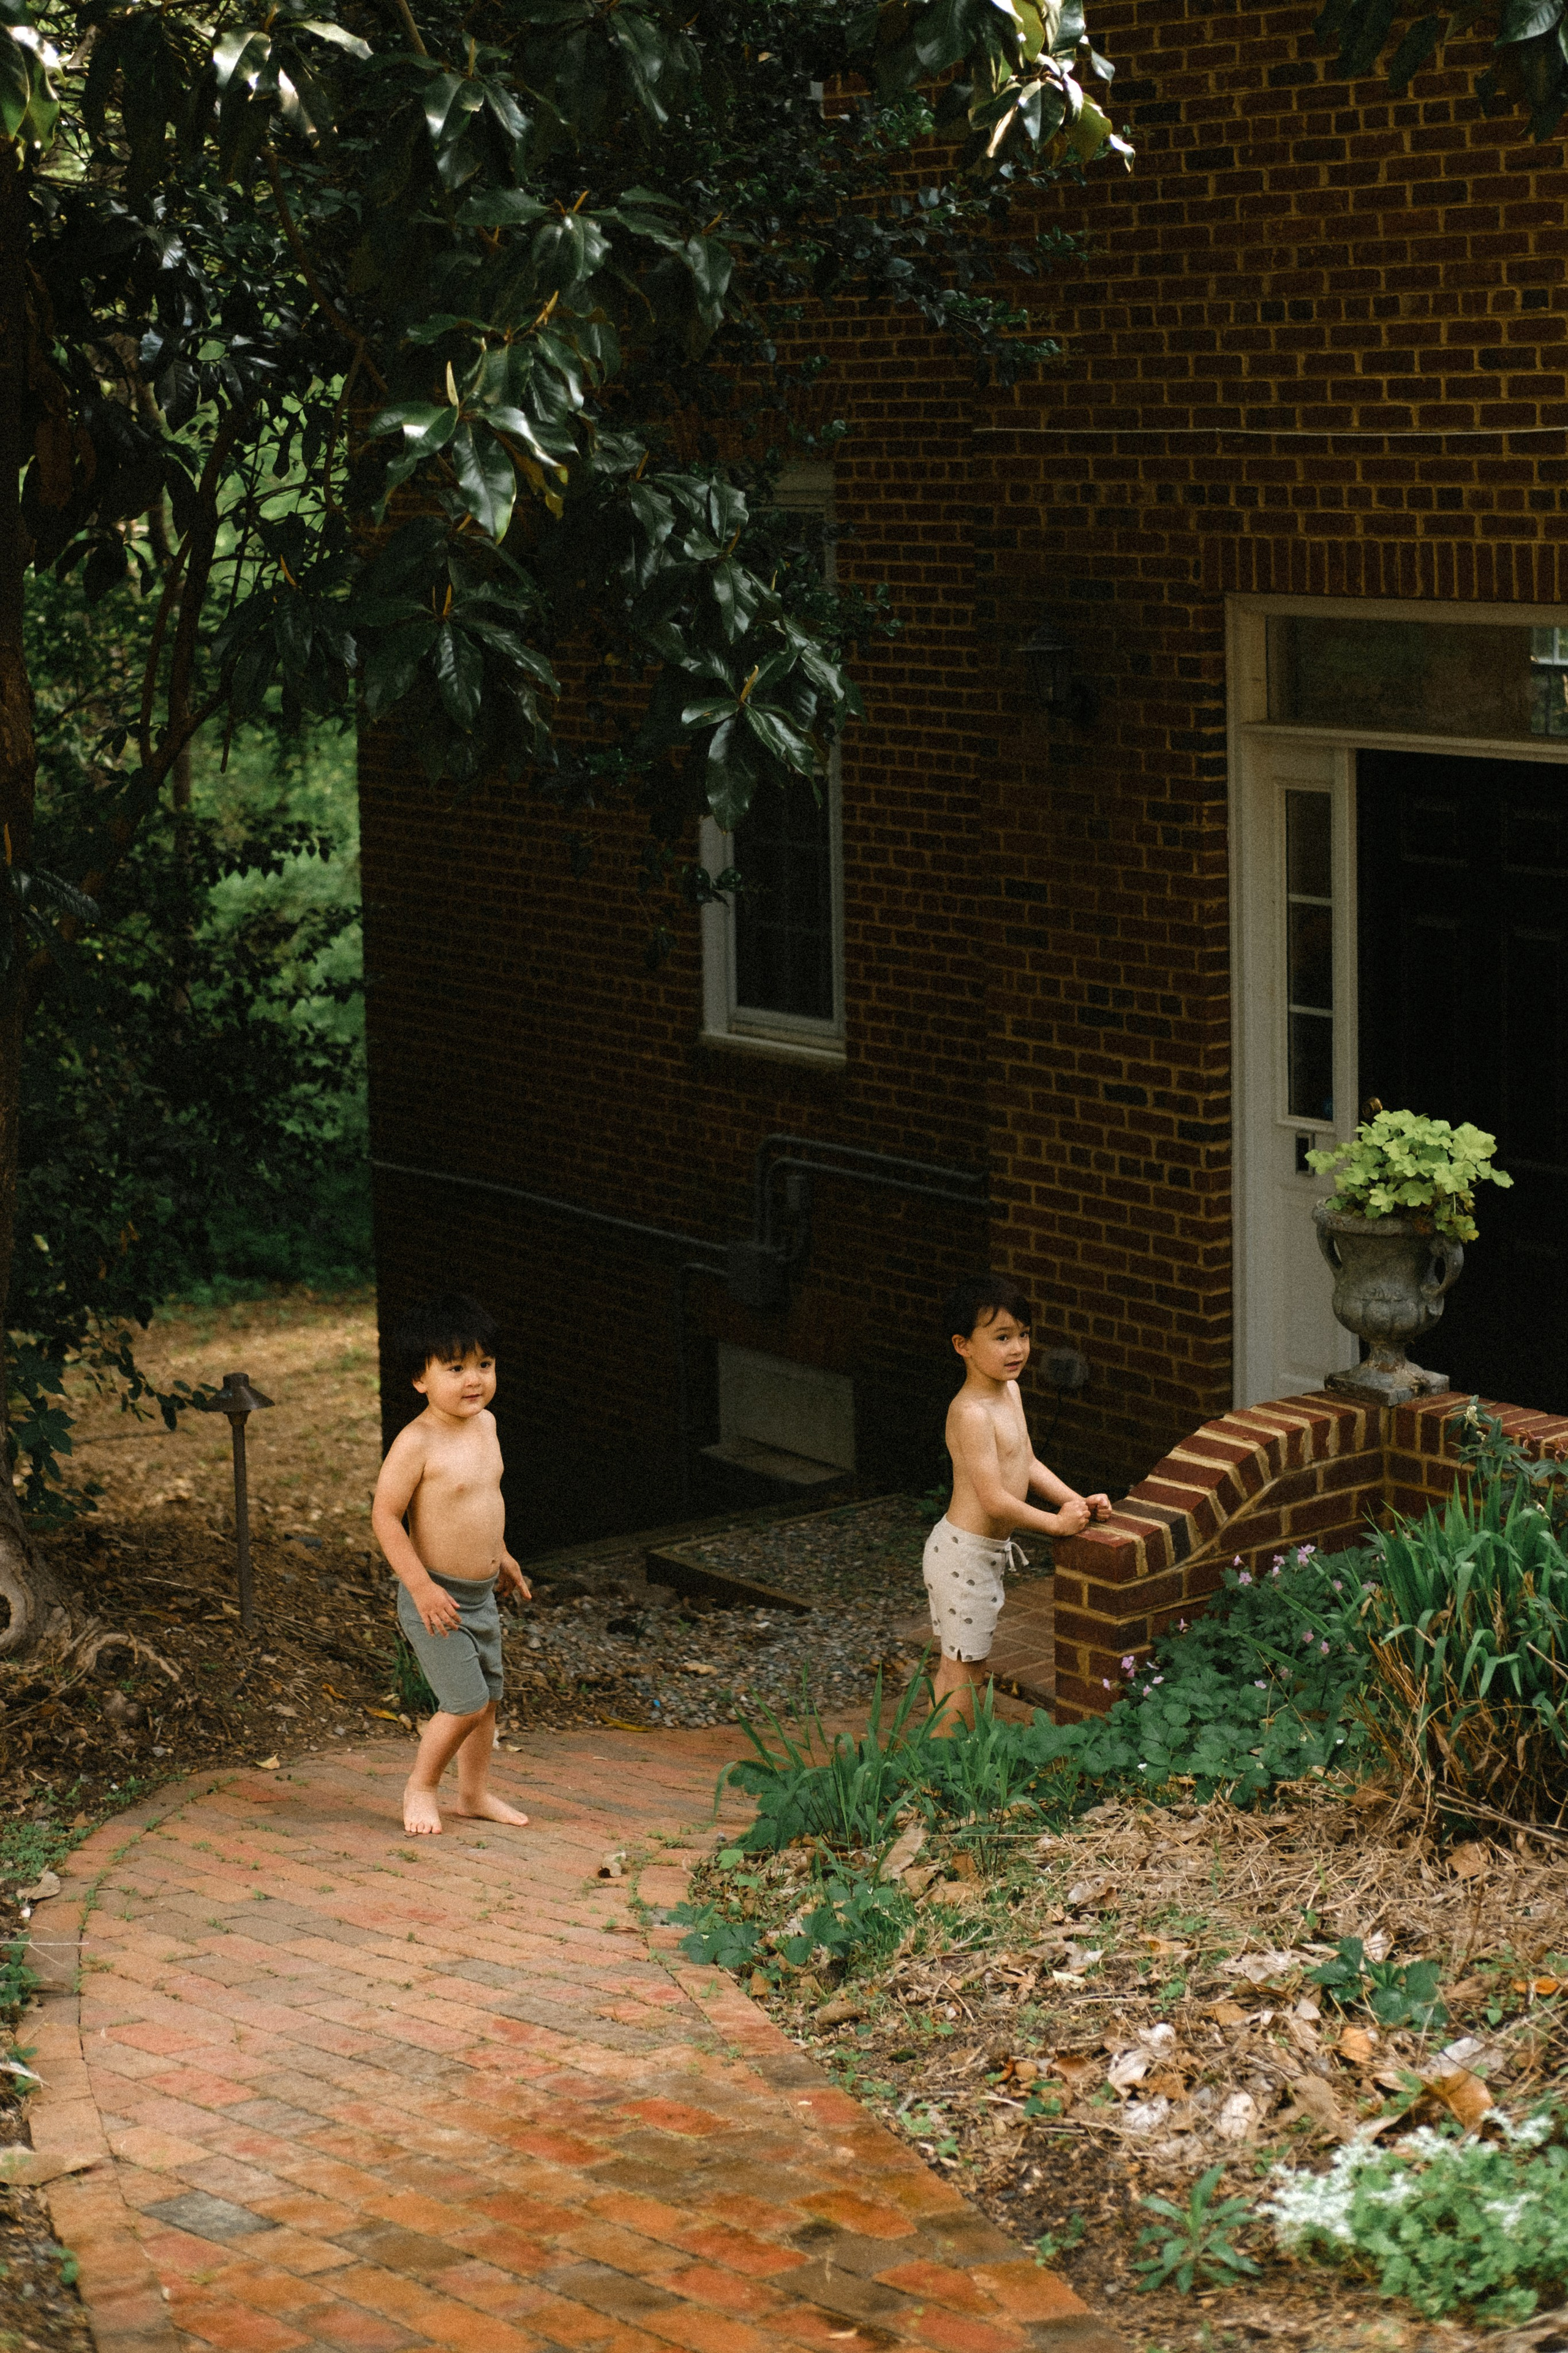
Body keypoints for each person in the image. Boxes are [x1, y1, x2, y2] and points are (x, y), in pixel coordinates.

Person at [371, 1291, 532, 1834]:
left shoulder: (486, 1427)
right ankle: (421, 1786)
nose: (474, 1380)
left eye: (484, 1365)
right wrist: (420, 1587)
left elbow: (485, 1500)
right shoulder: (417, 1441)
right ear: (421, 1378)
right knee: (464, 1702)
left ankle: (474, 1793)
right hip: (434, 1598)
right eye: (456, 1367)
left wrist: (502, 1556)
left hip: (480, 1594)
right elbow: (387, 1517)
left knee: (487, 1702)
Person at [924, 1274, 1112, 1735]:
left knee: (961, 1667)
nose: (1018, 1349)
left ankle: (936, 1765)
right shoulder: (970, 1412)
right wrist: (1057, 1525)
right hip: (962, 1556)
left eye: (1024, 1335)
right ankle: (945, 1768)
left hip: (980, 1556)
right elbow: (993, 1500)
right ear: (962, 1345)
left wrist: (1075, 1501)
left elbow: (1025, 1461)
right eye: (1002, 1337)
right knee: (964, 1673)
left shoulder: (1010, 1393)